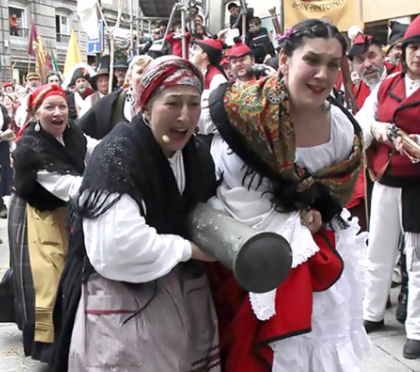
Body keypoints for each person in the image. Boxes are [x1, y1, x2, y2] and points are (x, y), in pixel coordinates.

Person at [207, 19, 369, 372]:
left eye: (332, 64)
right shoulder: (235, 109)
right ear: (283, 60)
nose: (322, 75)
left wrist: (320, 214)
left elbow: (335, 192)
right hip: (234, 260)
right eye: (311, 60)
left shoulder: (342, 131)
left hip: (309, 269)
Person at [50, 56, 221, 372]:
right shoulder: (119, 152)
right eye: (173, 103)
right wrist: (188, 249)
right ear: (146, 105)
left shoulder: (196, 153)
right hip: (119, 297)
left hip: (177, 296)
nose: (185, 115)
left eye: (194, 103)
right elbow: (117, 246)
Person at [10, 84, 98, 364]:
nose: (58, 112)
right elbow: (69, 186)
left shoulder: (73, 132)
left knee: (72, 270)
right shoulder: (30, 149)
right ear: (36, 114)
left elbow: (94, 149)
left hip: (68, 212)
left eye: (62, 106)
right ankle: (53, 349)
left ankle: (73, 339)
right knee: (50, 277)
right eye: (49, 107)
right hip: (38, 215)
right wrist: (110, 182)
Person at [358, 15, 420, 360]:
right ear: (404, 51)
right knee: (377, 251)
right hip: (385, 177)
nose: (419, 55)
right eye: (414, 48)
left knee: (416, 260)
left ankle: (416, 329)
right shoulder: (386, 85)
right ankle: (371, 312)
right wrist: (378, 129)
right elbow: (363, 120)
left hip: (417, 185)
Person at [78, 55, 153, 139]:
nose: (145, 76)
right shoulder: (110, 102)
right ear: (129, 77)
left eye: (149, 72)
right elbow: (79, 130)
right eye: (140, 72)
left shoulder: (161, 102)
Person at [190, 38, 227, 136]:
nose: (192, 52)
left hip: (210, 136)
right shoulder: (201, 75)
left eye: (197, 49)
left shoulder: (217, 79)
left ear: (204, 55)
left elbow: (218, 113)